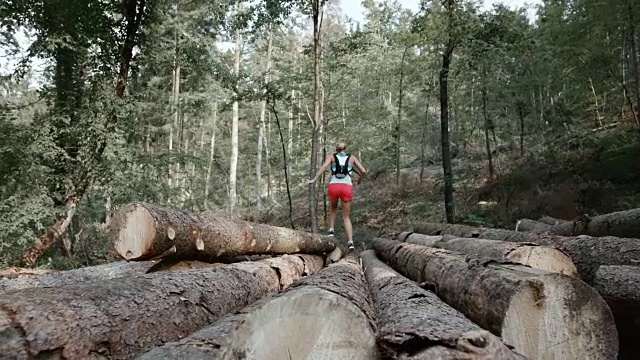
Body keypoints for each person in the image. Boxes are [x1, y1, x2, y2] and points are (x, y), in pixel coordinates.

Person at [306, 141, 366, 250]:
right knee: (346, 216)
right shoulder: (352, 158)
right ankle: (350, 242)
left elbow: (324, 167)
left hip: (333, 186)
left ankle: (331, 231)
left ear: (336, 149)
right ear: (345, 148)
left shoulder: (331, 157)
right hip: (346, 187)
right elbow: (363, 171)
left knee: (333, 208)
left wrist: (314, 179)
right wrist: (359, 180)